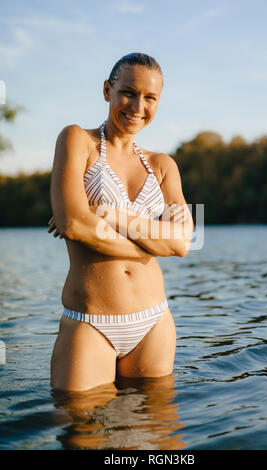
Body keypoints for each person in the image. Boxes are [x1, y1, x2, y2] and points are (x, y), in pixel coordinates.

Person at [48, 52, 194, 392]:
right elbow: (73, 224)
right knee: (80, 432)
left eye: (150, 97)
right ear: (107, 91)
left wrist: (112, 215)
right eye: (127, 92)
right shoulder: (76, 140)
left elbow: (182, 243)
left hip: (154, 321)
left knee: (157, 438)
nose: (137, 106)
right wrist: (151, 244)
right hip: (91, 322)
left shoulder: (163, 165)